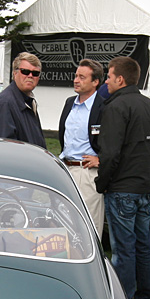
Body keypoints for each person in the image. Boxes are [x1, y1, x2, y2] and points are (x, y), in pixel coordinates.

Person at [95, 56, 150, 299]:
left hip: (122, 189)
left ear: (120, 79)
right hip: (144, 188)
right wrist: (147, 175)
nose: (106, 81)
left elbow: (110, 153)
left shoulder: (116, 107)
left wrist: (102, 183)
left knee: (123, 249)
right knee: (142, 246)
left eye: (109, 76)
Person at [58, 59, 105, 236]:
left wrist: (101, 159)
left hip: (87, 173)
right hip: (66, 170)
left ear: (95, 82)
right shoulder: (70, 102)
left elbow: (114, 141)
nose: (76, 80)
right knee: (64, 222)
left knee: (89, 226)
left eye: (82, 77)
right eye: (76, 76)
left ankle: (91, 263)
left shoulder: (104, 107)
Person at [0, 52, 46, 148]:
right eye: (25, 71)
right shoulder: (5, 103)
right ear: (15, 73)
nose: (30, 76)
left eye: (35, 73)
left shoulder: (29, 101)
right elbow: (3, 148)